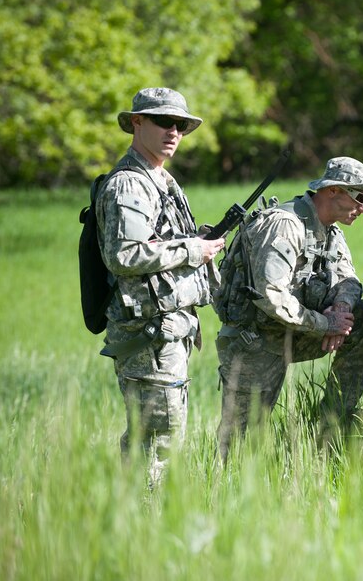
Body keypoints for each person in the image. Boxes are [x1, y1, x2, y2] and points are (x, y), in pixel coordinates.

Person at [213, 156, 363, 462]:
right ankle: (224, 491)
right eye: (360, 198)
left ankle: (330, 425)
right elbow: (270, 294)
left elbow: (349, 280)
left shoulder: (330, 231)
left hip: (298, 331)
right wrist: (323, 325)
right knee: (240, 443)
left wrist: (340, 314)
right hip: (256, 341)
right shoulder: (284, 225)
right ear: (333, 191)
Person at [96, 87, 225, 486]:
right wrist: (192, 249)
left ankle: (140, 527)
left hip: (167, 331)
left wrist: (194, 243)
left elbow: (156, 245)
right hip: (148, 335)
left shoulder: (160, 180)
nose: (174, 131)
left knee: (160, 440)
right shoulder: (130, 184)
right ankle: (141, 529)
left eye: (182, 125)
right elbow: (124, 255)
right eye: (164, 121)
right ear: (137, 122)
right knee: (156, 443)